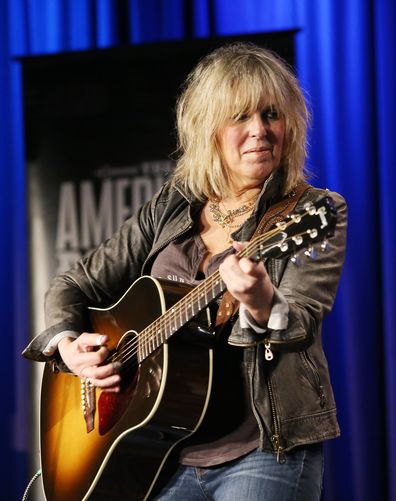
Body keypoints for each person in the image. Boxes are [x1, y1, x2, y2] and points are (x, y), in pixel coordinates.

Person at [23, 42, 347, 500]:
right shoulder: (174, 204)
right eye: (240, 116)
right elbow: (73, 284)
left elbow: (300, 320)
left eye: (272, 115)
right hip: (164, 454)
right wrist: (68, 346)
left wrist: (260, 302)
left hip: (263, 448)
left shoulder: (312, 211)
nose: (260, 131)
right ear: (209, 128)